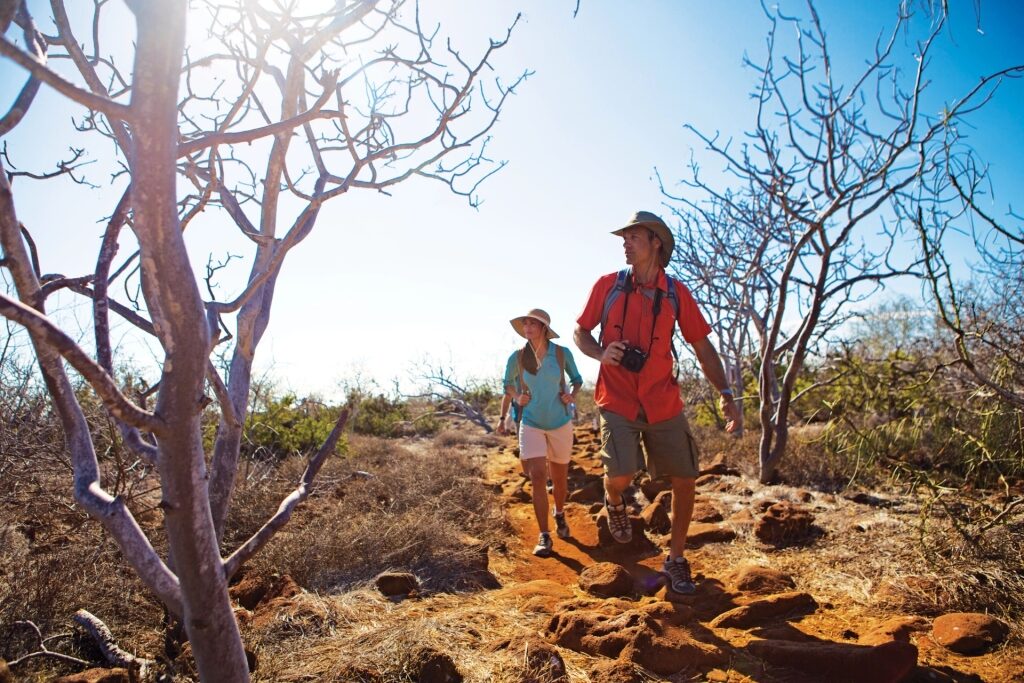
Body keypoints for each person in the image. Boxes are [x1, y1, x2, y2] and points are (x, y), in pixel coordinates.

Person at [573, 210, 741, 594]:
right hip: (616, 399)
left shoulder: (676, 294)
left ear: (655, 243)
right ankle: (613, 499)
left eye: (633, 236)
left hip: (663, 402)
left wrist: (726, 394)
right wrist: (601, 353)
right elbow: (581, 330)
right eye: (624, 237)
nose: (625, 243)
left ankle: (676, 558)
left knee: (685, 479)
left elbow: (703, 347)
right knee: (620, 477)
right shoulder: (608, 285)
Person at [498, 308, 583, 557]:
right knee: (536, 475)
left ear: (544, 328)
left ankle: (559, 512)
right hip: (532, 422)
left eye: (533, 323)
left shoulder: (561, 354)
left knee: (559, 479)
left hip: (560, 421)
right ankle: (544, 535)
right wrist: (517, 396)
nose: (527, 326)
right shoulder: (518, 357)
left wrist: (572, 395)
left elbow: (577, 379)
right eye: (525, 323)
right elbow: (507, 384)